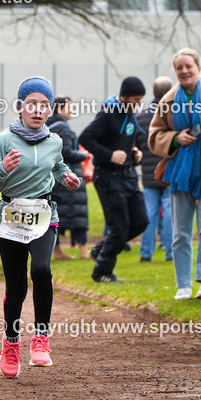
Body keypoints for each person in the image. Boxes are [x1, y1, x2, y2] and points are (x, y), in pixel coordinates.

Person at [0, 77, 80, 379]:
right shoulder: (4, 140)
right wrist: (2, 168)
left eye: (44, 105)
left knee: (42, 269)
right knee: (17, 286)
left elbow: (57, 166)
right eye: (32, 104)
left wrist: (68, 177)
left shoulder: (54, 141)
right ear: (20, 106)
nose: (38, 110)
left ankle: (41, 339)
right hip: (12, 218)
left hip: (45, 215)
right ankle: (10, 344)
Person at [148, 48, 201, 300]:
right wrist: (175, 138)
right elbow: (154, 135)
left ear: (198, 68)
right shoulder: (167, 100)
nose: (184, 71)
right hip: (180, 172)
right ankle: (183, 285)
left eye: (188, 66)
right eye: (179, 68)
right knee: (180, 232)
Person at [78, 77, 149, 282]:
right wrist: (110, 155)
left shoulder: (129, 113)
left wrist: (134, 152)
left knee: (141, 221)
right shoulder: (107, 114)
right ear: (124, 96)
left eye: (140, 100)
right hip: (108, 177)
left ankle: (99, 249)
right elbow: (85, 138)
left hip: (129, 176)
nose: (138, 104)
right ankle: (102, 271)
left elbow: (124, 140)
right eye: (135, 99)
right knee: (120, 227)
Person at [136, 77, 174, 262]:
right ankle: (170, 252)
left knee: (149, 213)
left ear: (153, 92)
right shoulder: (173, 114)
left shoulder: (141, 117)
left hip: (149, 172)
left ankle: (146, 253)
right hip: (169, 170)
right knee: (169, 211)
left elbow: (137, 144)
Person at [46, 96, 88, 260]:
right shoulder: (62, 128)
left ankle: (57, 250)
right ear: (59, 109)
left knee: (57, 215)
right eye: (69, 107)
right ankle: (83, 250)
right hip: (67, 178)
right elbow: (66, 152)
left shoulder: (49, 126)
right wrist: (83, 155)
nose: (72, 110)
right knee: (77, 215)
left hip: (56, 179)